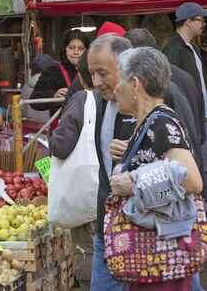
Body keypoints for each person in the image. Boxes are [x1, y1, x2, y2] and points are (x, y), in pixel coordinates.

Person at [111, 47, 203, 291]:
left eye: (119, 79)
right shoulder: (150, 122)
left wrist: (133, 183)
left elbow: (192, 181)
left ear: (135, 84)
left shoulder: (162, 123)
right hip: (153, 257)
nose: (115, 88)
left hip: (161, 258)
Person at [125, 28, 205, 196]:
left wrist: (134, 182)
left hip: (172, 207)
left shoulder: (159, 100)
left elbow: (188, 179)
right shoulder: (184, 77)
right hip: (196, 155)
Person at [88, 34, 135, 291]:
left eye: (102, 73)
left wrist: (139, 153)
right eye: (91, 73)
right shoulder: (101, 101)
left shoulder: (159, 99)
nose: (96, 82)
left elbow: (187, 171)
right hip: (107, 224)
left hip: (148, 228)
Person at [49, 51, 94, 290]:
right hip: (110, 192)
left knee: (87, 252)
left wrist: (51, 137)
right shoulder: (121, 97)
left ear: (80, 73)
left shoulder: (82, 99)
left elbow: (61, 145)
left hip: (87, 194)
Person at [163, 2, 207, 179]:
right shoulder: (172, 50)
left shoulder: (194, 48)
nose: (203, 24)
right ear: (188, 21)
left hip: (201, 115)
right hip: (188, 119)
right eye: (200, 20)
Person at [30, 29, 89, 113]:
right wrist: (53, 95)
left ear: (86, 51)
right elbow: (34, 100)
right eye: (71, 48)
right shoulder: (53, 71)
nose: (76, 52)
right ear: (65, 49)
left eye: (80, 48)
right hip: (63, 124)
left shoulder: (92, 71)